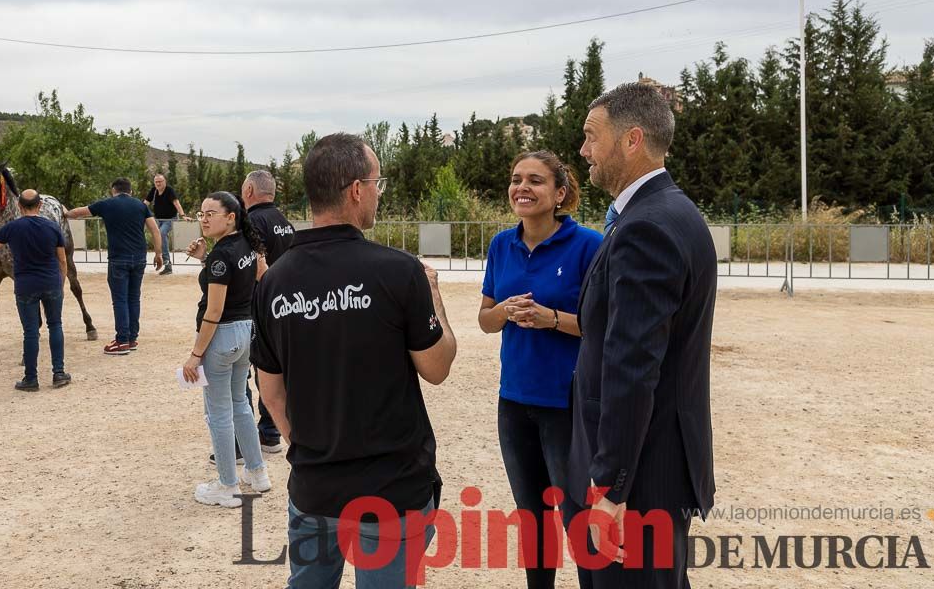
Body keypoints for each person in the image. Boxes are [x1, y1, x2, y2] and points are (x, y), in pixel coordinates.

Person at [251, 133, 457, 588]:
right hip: (391, 493)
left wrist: (306, 448)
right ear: (356, 189)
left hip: (312, 488)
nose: (380, 193)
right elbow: (436, 367)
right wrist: (435, 299)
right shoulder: (398, 271)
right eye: (378, 182)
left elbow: (270, 390)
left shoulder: (274, 282)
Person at [568, 83, 716, 588]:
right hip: (649, 467)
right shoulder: (663, 211)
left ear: (631, 140)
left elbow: (633, 366)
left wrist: (610, 486)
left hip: (640, 478)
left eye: (591, 137)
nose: (583, 151)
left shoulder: (647, 227)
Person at [479, 151, 602, 589]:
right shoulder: (500, 245)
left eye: (536, 180)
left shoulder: (589, 245)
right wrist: (506, 312)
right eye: (516, 179)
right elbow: (485, 319)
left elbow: (602, 326)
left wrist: (551, 318)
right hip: (513, 402)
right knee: (532, 517)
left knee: (578, 518)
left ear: (560, 193)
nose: (522, 188)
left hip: (565, 402)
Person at [181, 191, 271, 507]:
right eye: (201, 213)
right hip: (244, 332)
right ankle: (257, 473)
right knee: (239, 404)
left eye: (210, 213)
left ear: (230, 217)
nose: (203, 219)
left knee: (217, 412)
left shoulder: (223, 255)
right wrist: (206, 259)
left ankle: (227, 485)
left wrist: (195, 354)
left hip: (222, 337)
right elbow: (248, 279)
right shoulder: (245, 245)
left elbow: (214, 310)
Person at [0, 189, 71, 392]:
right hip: (50, 282)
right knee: (55, 325)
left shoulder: (12, 227)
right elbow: (62, 259)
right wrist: (61, 283)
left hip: (25, 284)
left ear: (19, 206)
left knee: (30, 332)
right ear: (40, 206)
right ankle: (58, 372)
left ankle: (31, 377)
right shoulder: (52, 226)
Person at [66, 177, 164, 355]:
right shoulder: (141, 206)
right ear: (130, 191)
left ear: (114, 190)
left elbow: (78, 213)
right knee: (134, 298)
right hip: (140, 258)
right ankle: (132, 338)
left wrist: (65, 212)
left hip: (118, 258)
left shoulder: (106, 204)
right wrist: (158, 254)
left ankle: (121, 341)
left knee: (119, 299)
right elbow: (155, 230)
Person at [239, 168, 293, 453]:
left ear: (249, 192)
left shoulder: (251, 222)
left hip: (254, 306)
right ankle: (270, 430)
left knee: (245, 371)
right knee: (272, 367)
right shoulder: (284, 221)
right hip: (281, 305)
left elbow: (247, 266)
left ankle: (244, 439)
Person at [145, 172, 189, 275]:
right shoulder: (154, 191)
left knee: (161, 233)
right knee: (157, 237)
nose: (158, 184)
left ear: (165, 182)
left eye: (160, 181)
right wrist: (137, 212)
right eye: (156, 182)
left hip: (170, 219)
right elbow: (145, 203)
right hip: (158, 219)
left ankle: (166, 261)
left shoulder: (169, 190)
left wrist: (183, 215)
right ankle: (163, 262)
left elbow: (176, 203)